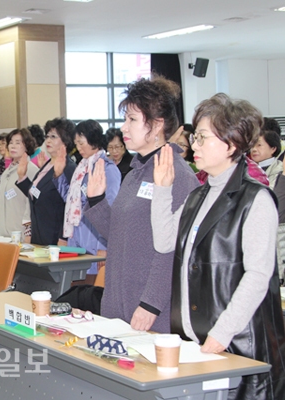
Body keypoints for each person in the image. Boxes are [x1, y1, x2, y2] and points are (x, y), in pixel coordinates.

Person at [151, 93, 285, 399]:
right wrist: (162, 190)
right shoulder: (198, 196)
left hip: (238, 346)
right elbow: (164, 241)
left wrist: (220, 334)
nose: (194, 145)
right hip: (196, 342)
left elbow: (258, 275)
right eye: (194, 137)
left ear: (231, 143)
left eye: (202, 137)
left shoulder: (255, 199)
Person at [84, 76, 199, 333]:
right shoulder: (135, 172)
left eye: (132, 120)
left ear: (157, 125)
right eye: (125, 119)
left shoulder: (178, 175)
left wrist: (151, 303)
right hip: (119, 298)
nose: (124, 127)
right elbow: (120, 235)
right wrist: (97, 200)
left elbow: (175, 249)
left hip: (151, 309)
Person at [56, 120, 121, 283]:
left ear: (94, 140)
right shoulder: (81, 168)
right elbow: (70, 200)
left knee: (91, 286)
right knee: (75, 285)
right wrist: (59, 175)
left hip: (94, 239)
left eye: (82, 143)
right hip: (76, 237)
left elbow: (109, 209)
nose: (78, 147)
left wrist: (104, 246)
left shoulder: (108, 168)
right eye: (76, 143)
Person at [16, 117, 76, 245]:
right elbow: (38, 195)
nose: (48, 140)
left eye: (53, 136)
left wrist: (64, 237)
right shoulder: (47, 165)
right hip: (39, 233)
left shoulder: (68, 168)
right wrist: (22, 177)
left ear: (66, 140)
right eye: (47, 136)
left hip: (54, 236)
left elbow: (70, 206)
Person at [0, 128, 39, 240]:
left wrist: (28, 233)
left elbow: (32, 204)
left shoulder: (31, 169)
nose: (13, 146)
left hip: (20, 234)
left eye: (18, 143)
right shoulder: (7, 172)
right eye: (10, 143)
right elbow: (3, 199)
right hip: (4, 233)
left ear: (27, 145)